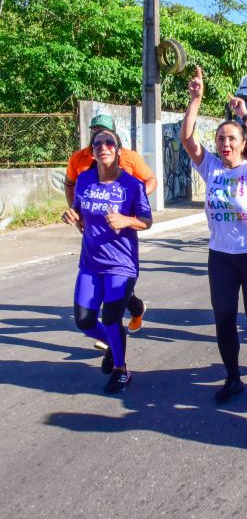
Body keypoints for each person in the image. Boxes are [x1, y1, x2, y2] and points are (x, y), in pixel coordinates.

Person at [179, 67, 247, 404]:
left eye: (232, 138)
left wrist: (245, 115)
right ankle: (233, 377)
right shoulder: (209, 167)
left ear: (243, 144)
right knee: (224, 317)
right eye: (220, 138)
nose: (225, 143)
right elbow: (187, 139)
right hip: (222, 256)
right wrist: (195, 100)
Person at [62, 126, 152, 394]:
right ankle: (113, 348)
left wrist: (126, 220)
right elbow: (78, 209)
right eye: (98, 144)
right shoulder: (85, 180)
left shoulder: (132, 185)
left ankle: (121, 370)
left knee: (112, 318)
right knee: (84, 320)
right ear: (92, 151)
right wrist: (72, 215)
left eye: (109, 143)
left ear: (119, 150)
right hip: (90, 263)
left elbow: (146, 221)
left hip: (121, 264)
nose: (103, 147)